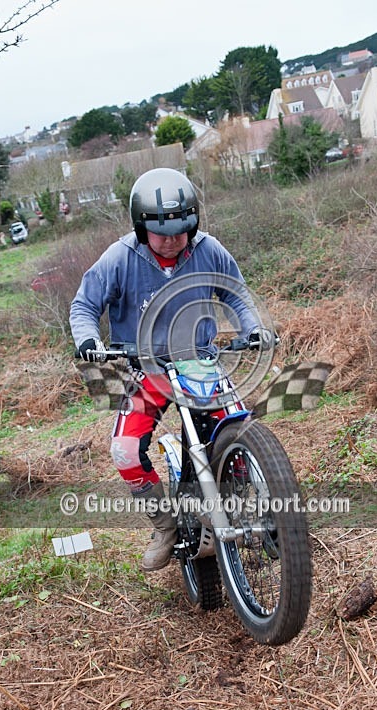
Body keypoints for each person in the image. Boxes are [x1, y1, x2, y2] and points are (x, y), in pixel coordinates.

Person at [70, 167, 265, 572]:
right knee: (124, 451)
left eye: (182, 229)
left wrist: (255, 328)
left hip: (200, 361)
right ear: (142, 229)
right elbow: (84, 306)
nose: (174, 238)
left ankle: (259, 506)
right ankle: (166, 527)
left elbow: (239, 296)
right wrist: (88, 339)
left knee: (244, 436)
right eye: (163, 232)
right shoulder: (120, 258)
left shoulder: (210, 250)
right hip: (149, 370)